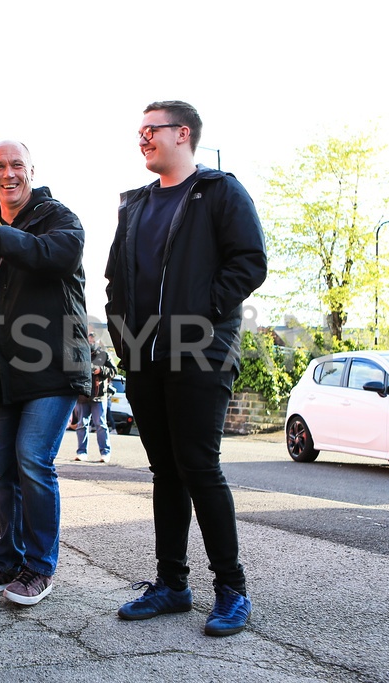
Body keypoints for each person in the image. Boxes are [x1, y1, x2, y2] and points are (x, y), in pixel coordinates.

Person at [104, 101, 267, 637]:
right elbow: (114, 281)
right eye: (140, 131)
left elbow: (249, 261)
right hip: (144, 358)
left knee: (200, 467)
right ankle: (172, 585)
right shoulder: (135, 205)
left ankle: (232, 590)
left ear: (184, 133)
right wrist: (124, 337)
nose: (143, 138)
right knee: (165, 472)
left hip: (200, 353)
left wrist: (198, 315)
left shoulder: (219, 191)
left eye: (152, 129)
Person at [0, 140, 91, 606]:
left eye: (17, 165)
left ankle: (38, 568)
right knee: (5, 469)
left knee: (33, 458)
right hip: (2, 372)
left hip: (54, 366)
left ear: (32, 170)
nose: (8, 173)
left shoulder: (60, 218)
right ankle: (8, 560)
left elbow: (52, 256)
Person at [74, 331, 117, 463]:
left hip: (99, 396)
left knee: (101, 425)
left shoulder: (104, 355)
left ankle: (105, 453)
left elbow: (114, 371)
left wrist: (100, 370)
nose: (90, 341)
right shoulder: (80, 354)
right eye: (89, 339)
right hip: (83, 395)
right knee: (81, 424)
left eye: (93, 339)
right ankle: (81, 452)